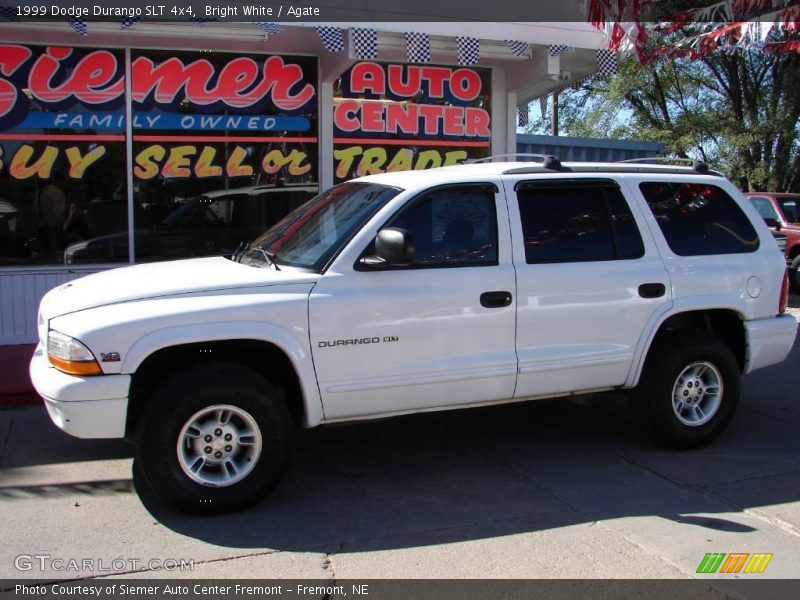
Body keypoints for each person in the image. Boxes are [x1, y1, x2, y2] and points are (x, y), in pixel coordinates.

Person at [36, 174, 66, 254]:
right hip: (56, 226)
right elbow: (58, 211)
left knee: (47, 250)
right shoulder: (58, 193)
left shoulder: (43, 193)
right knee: (56, 250)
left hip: (45, 225)